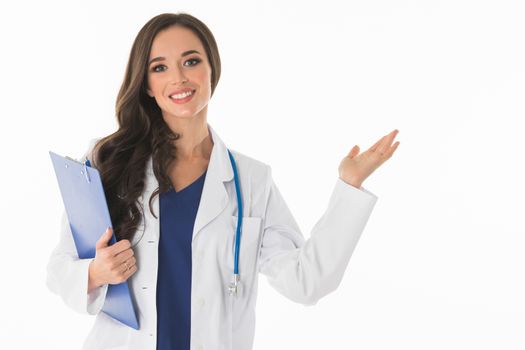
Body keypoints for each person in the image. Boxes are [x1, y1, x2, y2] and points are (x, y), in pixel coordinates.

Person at [46, 12, 400, 350]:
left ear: (212, 69)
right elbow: (59, 269)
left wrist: (349, 186)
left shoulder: (251, 180)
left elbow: (306, 282)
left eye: (191, 61)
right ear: (148, 85)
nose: (179, 78)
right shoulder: (107, 160)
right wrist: (95, 272)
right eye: (160, 68)